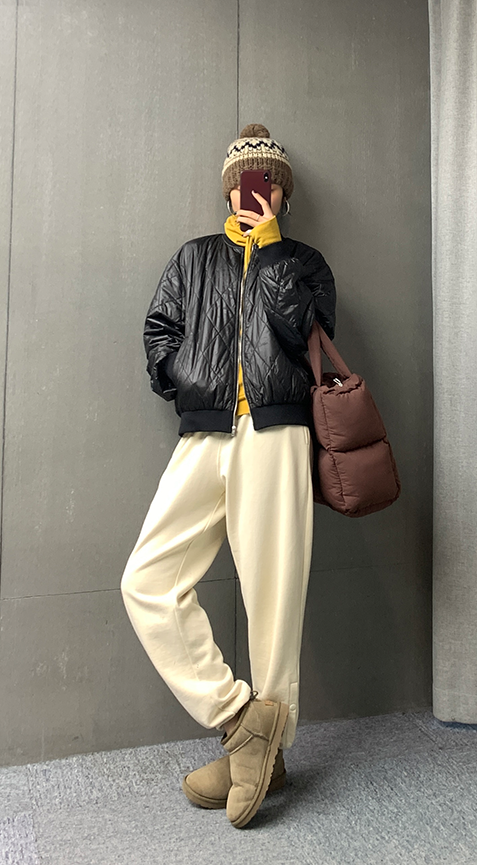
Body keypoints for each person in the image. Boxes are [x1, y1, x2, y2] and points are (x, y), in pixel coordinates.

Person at [120, 123, 337, 829]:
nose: (257, 188)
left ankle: (267, 760)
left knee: (274, 601)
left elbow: (304, 331)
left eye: (269, 180)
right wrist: (188, 378)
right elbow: (159, 334)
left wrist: (268, 248)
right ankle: (243, 720)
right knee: (147, 580)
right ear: (228, 188)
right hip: (206, 434)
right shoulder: (193, 259)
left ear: (282, 192)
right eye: (248, 179)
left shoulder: (303, 263)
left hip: (277, 435)